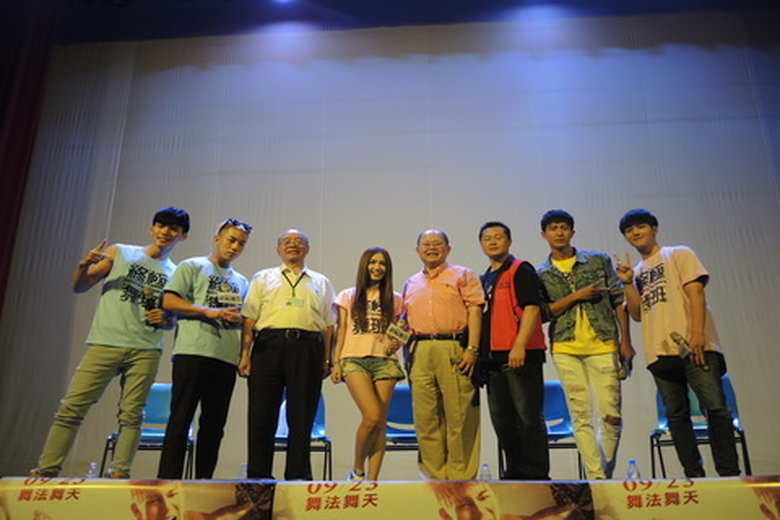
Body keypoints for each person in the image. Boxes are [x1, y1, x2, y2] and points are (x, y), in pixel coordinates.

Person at [31, 207, 190, 478]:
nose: (166, 232)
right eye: (161, 225)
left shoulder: (176, 273)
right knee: (71, 408)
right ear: (151, 228)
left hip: (146, 349)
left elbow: (172, 320)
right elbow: (80, 286)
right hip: (106, 342)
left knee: (132, 415)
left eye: (173, 228)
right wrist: (83, 265)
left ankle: (119, 473)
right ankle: (47, 470)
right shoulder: (121, 253)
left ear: (183, 236)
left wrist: (165, 318)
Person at [614, 208, 739, 477]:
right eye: (629, 230)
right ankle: (693, 475)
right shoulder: (637, 271)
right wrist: (627, 283)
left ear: (654, 229)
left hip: (694, 345)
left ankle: (728, 474)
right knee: (676, 415)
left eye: (640, 226)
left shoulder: (678, 253)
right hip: (659, 352)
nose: (635, 232)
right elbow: (636, 314)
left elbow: (696, 293)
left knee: (715, 408)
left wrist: (697, 333)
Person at [536, 210, 634, 480]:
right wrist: (576, 296)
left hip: (603, 342)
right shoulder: (541, 272)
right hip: (565, 347)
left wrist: (626, 340)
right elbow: (544, 313)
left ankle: (602, 475)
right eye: (553, 228)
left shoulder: (597, 261)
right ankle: (596, 478)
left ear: (572, 231)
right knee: (580, 415)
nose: (559, 232)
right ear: (544, 235)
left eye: (564, 227)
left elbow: (618, 301)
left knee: (612, 414)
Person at [157, 218, 252, 479]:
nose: (235, 247)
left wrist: (237, 320)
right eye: (231, 240)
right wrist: (208, 311)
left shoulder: (241, 281)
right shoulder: (192, 266)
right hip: (192, 352)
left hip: (225, 358)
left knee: (214, 427)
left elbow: (244, 318)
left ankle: (204, 482)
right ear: (217, 239)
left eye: (241, 244)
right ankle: (169, 481)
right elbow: (169, 301)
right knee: (180, 420)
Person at [239, 229, 336, 480]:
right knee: (261, 415)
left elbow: (329, 325)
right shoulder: (262, 277)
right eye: (286, 241)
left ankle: (298, 476)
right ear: (278, 249)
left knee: (302, 416)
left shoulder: (321, 281)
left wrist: (328, 359)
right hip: (268, 346)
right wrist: (245, 355)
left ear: (307, 248)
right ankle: (258, 477)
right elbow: (249, 319)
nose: (293, 245)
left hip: (308, 348)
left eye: (299, 241)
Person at [403, 229, 484, 480]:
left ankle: (461, 478)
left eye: (437, 243)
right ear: (417, 250)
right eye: (426, 244)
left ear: (448, 249)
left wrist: (472, 349)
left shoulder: (463, 275)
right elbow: (404, 323)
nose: (431, 248)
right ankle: (434, 478)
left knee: (459, 415)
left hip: (454, 347)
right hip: (420, 350)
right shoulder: (410, 282)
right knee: (426, 417)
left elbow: (475, 311)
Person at [478, 221, 550, 480]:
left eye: (498, 237)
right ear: (481, 244)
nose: (493, 241)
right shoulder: (485, 278)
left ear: (509, 241)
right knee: (503, 420)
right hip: (493, 359)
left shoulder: (521, 269)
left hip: (521, 355)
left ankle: (536, 474)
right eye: (487, 238)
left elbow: (532, 308)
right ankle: (515, 471)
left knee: (528, 417)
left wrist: (519, 345)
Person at [330, 247, 405, 481]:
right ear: (365, 265)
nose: (377, 267)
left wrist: (397, 342)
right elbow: (341, 329)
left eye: (382, 263)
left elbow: (400, 330)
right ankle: (357, 470)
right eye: (373, 262)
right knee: (372, 416)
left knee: (380, 422)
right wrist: (336, 362)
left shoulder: (395, 299)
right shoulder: (348, 296)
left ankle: (373, 481)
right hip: (354, 359)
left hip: (385, 361)